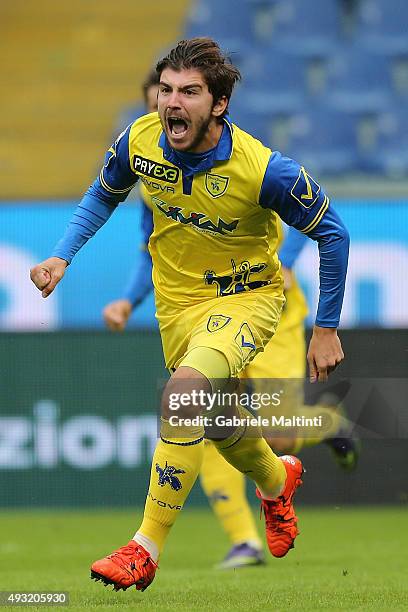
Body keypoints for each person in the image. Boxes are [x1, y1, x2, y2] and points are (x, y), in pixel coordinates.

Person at [30, 37, 349, 593]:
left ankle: (144, 547)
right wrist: (62, 255)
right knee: (221, 422)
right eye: (168, 90)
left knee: (183, 395)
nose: (172, 103)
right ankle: (278, 483)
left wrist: (325, 327)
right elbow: (104, 194)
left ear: (218, 104)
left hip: (246, 299)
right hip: (178, 307)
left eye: (190, 93)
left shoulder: (264, 170)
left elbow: (331, 231)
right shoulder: (141, 139)